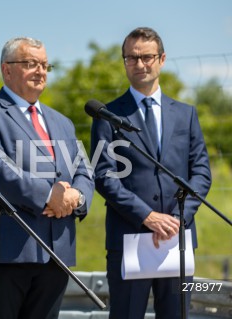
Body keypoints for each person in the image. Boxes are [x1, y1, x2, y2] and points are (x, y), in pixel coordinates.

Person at [0, 37, 94, 319]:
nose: (40, 71)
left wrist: (76, 197)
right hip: (9, 252)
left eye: (45, 65)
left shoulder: (62, 122)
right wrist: (49, 195)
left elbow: (83, 168)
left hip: (57, 251)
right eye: (31, 64)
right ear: (6, 70)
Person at [90, 27, 211, 319]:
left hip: (176, 242)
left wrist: (179, 219)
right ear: (124, 62)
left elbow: (202, 172)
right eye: (131, 58)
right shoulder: (107, 115)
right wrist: (147, 216)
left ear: (162, 59)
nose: (140, 64)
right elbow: (104, 176)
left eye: (147, 57)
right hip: (129, 239)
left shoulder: (186, 114)